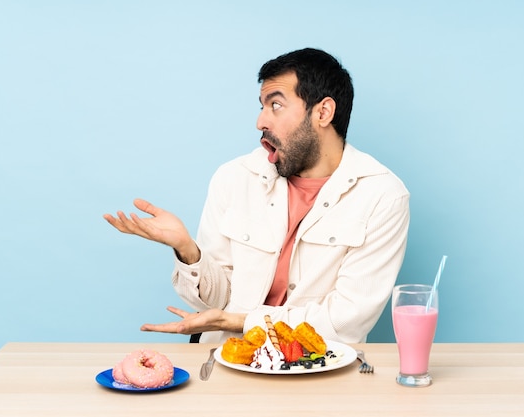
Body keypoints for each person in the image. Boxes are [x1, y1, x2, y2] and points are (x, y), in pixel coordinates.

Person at [103, 48, 410, 344]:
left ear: (323, 112)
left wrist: (238, 322)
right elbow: (217, 300)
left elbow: (346, 321)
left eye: (275, 105)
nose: (260, 122)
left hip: (317, 371)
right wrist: (188, 250)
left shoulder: (383, 196)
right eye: (262, 106)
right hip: (226, 361)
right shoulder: (234, 177)